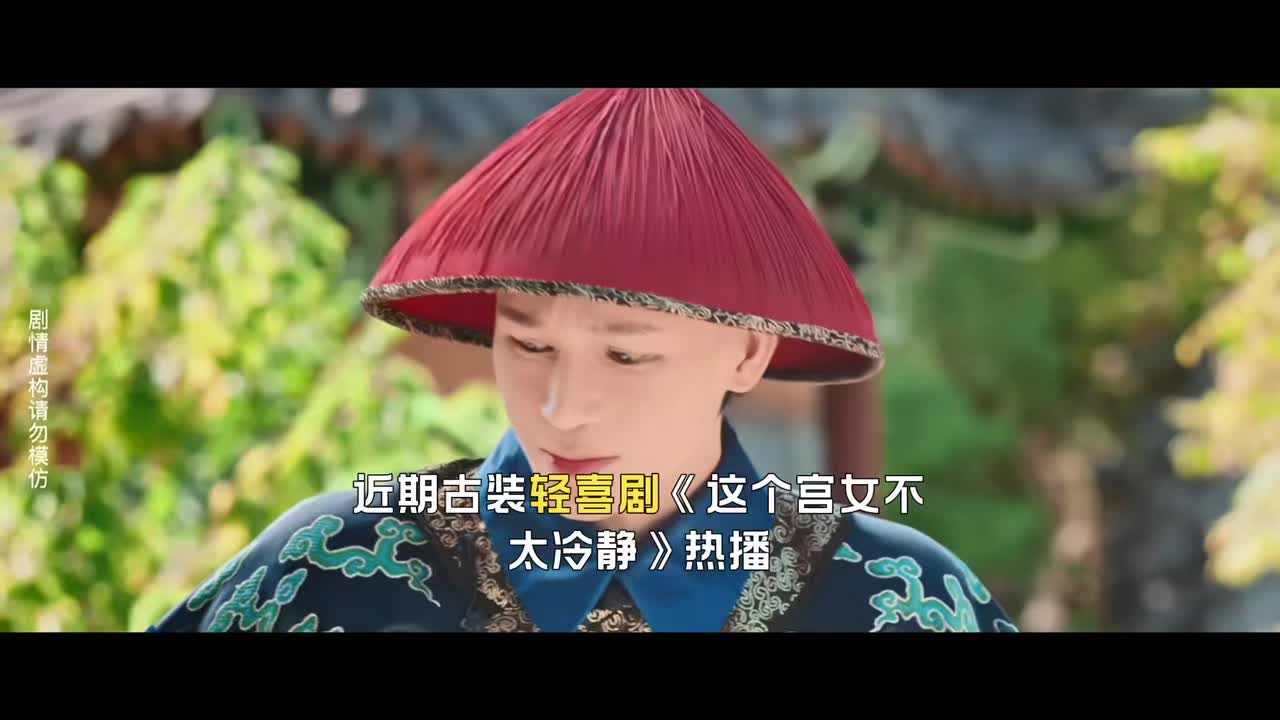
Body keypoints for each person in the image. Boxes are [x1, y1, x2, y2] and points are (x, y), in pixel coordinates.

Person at [148, 88, 1018, 633]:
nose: (562, 408)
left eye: (627, 355)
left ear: (748, 352)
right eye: (528, 344)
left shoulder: (902, 601)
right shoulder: (329, 568)